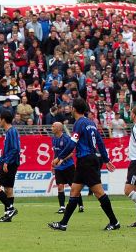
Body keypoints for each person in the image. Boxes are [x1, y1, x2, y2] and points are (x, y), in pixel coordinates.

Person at [49, 98, 119, 231]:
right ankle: (63, 223)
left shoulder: (79, 123)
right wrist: (106, 159)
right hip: (87, 160)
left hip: (86, 161)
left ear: (74, 109)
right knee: (74, 191)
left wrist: (59, 157)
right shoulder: (91, 123)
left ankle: (114, 222)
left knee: (99, 192)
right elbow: (100, 142)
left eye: (71, 107)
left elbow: (72, 143)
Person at [0, 111, 21, 222]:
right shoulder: (9, 132)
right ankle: (7, 215)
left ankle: (10, 209)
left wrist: (6, 162)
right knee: (8, 189)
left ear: (3, 120)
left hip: (10, 164)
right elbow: (6, 153)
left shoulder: (12, 131)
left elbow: (15, 149)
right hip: (10, 163)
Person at [51, 122, 83, 214]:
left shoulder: (66, 138)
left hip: (69, 166)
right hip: (58, 167)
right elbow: (55, 153)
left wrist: (62, 159)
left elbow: (71, 153)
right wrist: (53, 165)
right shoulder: (53, 139)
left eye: (53, 126)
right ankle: (62, 207)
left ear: (59, 128)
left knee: (74, 187)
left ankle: (80, 205)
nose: (51, 128)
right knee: (60, 186)